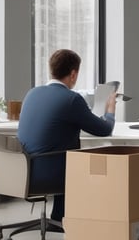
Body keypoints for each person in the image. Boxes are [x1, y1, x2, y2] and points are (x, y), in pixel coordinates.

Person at [17, 49, 117, 226]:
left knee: (64, 155)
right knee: (86, 164)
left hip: (23, 170)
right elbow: (103, 129)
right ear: (73, 74)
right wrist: (110, 110)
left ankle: (59, 216)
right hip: (48, 173)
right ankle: (89, 223)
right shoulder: (71, 99)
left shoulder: (31, 93)